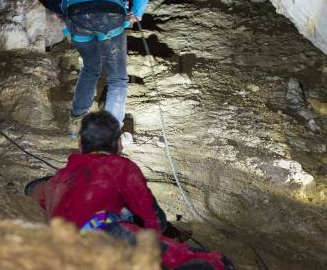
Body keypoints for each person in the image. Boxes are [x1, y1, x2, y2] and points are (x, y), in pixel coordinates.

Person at [25, 111, 233, 270]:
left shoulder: (57, 180)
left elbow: (32, 189)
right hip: (107, 235)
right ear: (119, 145)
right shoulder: (120, 167)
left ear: (80, 145)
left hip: (67, 248)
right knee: (211, 261)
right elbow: (153, 220)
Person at [61, 0, 152, 136]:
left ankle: (75, 123)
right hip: (108, 15)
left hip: (77, 16)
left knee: (90, 67)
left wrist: (69, 24)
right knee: (117, 78)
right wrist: (137, 11)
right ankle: (109, 134)